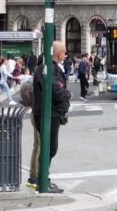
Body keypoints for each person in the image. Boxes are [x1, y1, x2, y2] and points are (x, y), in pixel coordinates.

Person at [32, 41, 72, 193]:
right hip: (48, 113)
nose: (65, 55)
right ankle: (42, 181)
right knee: (50, 148)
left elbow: (56, 87)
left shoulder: (48, 67)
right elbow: (55, 89)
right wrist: (68, 94)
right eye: (64, 52)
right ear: (59, 53)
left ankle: (43, 179)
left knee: (49, 147)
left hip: (50, 113)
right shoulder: (47, 68)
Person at [21, 64, 39, 189]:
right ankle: (35, 177)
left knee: (37, 146)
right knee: (39, 147)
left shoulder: (34, 77)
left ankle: (33, 177)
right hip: (38, 114)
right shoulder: (40, 77)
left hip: (34, 112)